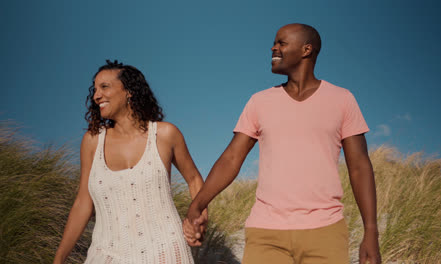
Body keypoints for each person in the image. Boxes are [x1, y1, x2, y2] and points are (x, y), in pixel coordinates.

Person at [184, 24, 381, 264]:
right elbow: (231, 158)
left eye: (281, 43)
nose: (273, 47)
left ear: (306, 49)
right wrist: (199, 203)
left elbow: (359, 166)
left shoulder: (342, 100)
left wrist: (371, 231)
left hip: (326, 231)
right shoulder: (259, 102)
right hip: (265, 233)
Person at [53, 60, 207, 264]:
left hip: (165, 251)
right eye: (95, 89)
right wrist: (59, 259)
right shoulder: (92, 141)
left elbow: (194, 179)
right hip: (105, 255)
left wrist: (200, 218)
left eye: (104, 87)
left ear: (129, 91)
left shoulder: (165, 134)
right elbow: (83, 202)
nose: (96, 95)